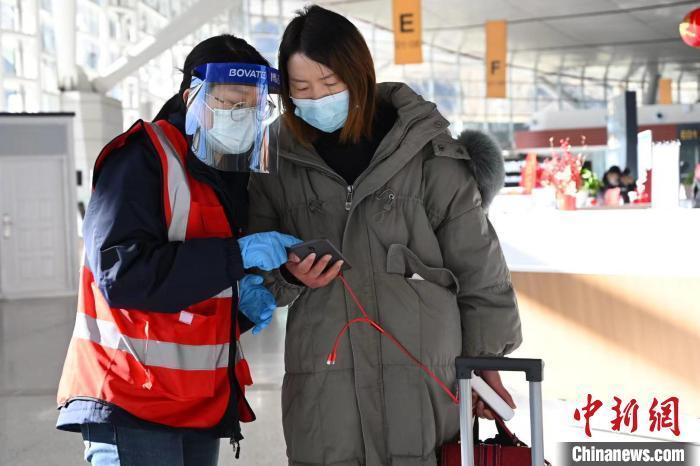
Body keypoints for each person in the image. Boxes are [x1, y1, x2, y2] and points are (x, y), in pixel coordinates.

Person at [248, 6, 522, 465]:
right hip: (325, 376)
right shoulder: (275, 160)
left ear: (360, 73)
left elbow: (478, 266)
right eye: (302, 89)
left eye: (331, 84)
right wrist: (290, 276)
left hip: (424, 377)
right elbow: (257, 271)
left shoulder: (426, 150)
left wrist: (484, 362)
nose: (317, 98)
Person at [55, 35, 300, 466]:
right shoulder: (142, 159)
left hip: (193, 402)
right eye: (228, 102)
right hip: (130, 398)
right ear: (192, 97)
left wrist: (238, 308)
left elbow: (188, 298)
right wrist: (235, 257)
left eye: (252, 106)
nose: (241, 116)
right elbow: (122, 275)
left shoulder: (227, 177)